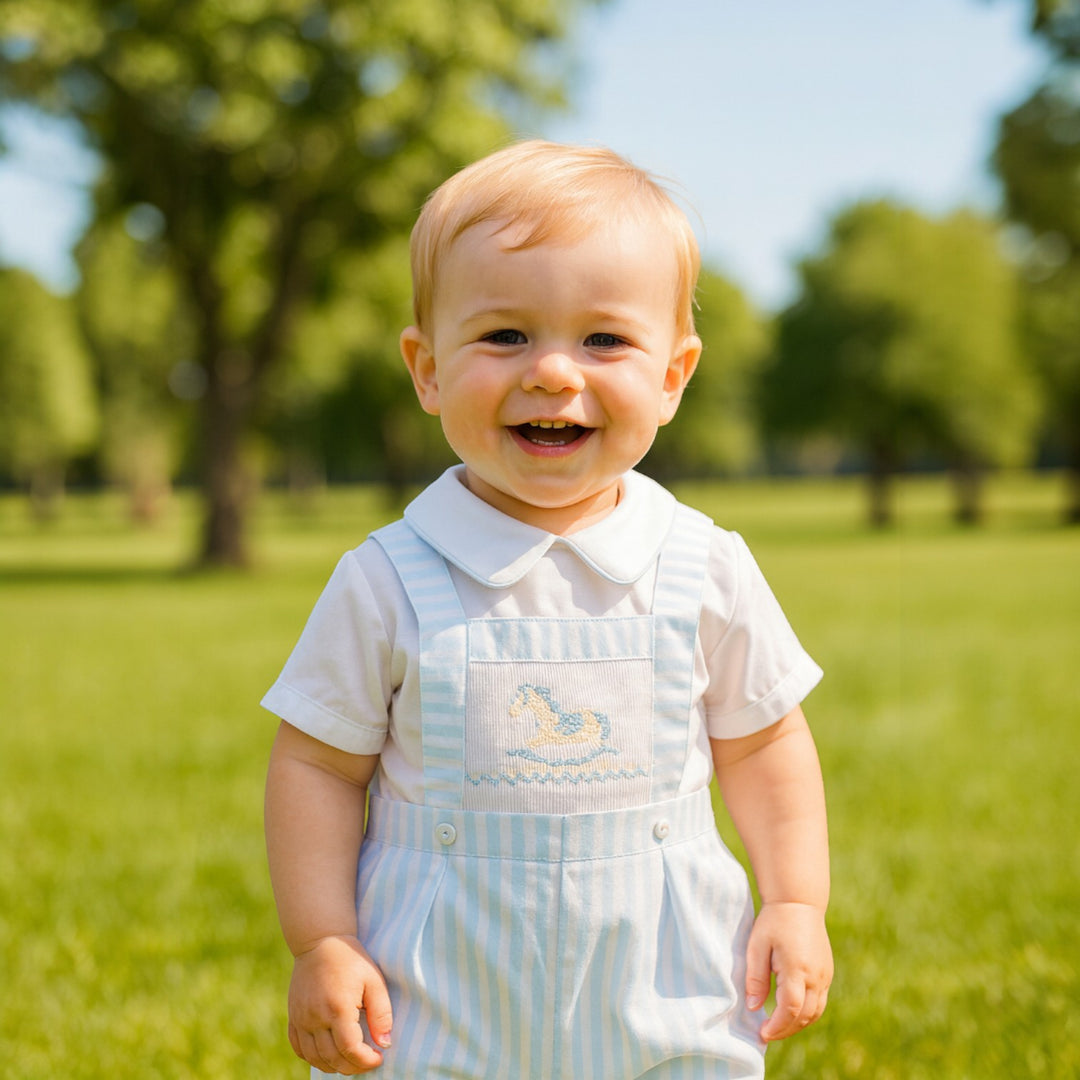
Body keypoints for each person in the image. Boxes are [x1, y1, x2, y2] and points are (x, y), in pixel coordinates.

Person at [263, 140, 833, 1079]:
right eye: (505, 336)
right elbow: (318, 765)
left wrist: (796, 900)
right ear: (428, 368)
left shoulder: (703, 566)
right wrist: (322, 938)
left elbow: (764, 741)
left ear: (673, 375)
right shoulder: (388, 578)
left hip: (665, 980)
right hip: (438, 989)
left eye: (604, 339)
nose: (555, 373)